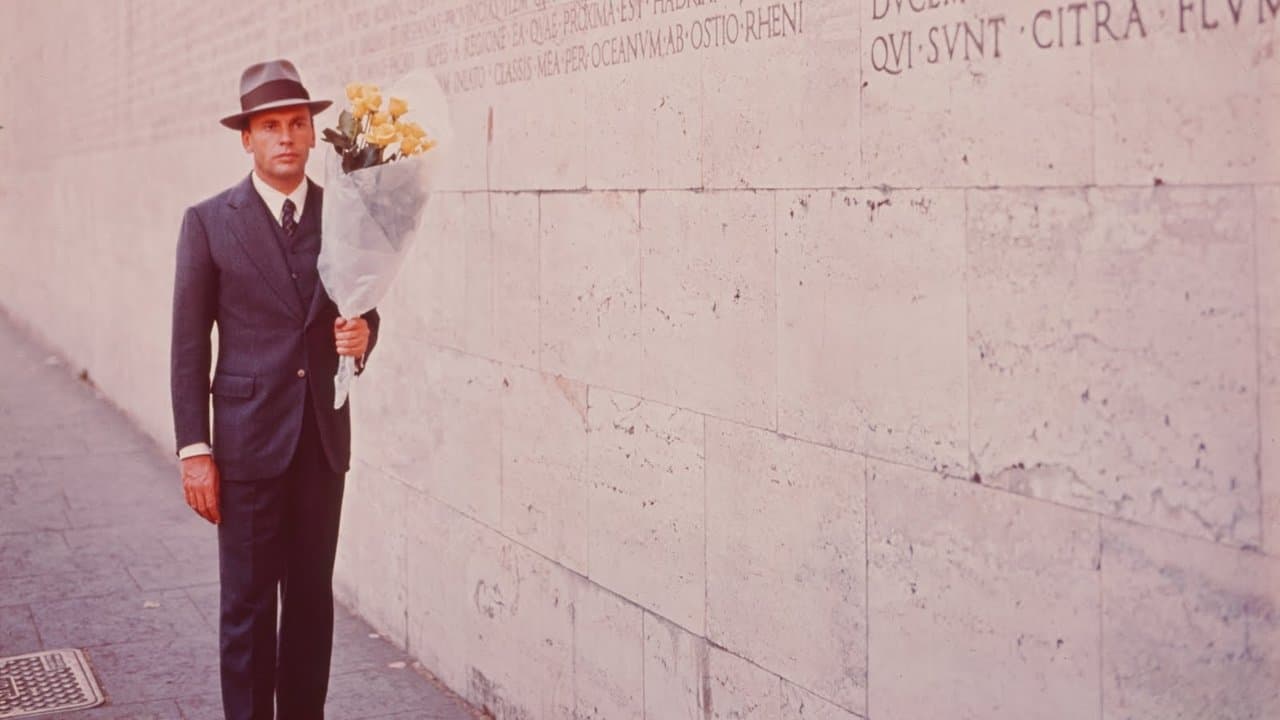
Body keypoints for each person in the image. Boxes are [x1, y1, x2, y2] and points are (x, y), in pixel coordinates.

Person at [170, 59, 380, 720]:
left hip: (320, 442)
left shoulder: (344, 216)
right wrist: (193, 449)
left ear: (313, 134)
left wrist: (365, 336)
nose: (285, 137)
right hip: (246, 445)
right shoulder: (208, 222)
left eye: (296, 123)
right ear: (247, 138)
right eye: (269, 127)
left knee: (312, 604)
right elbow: (186, 344)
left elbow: (362, 306)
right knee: (248, 611)